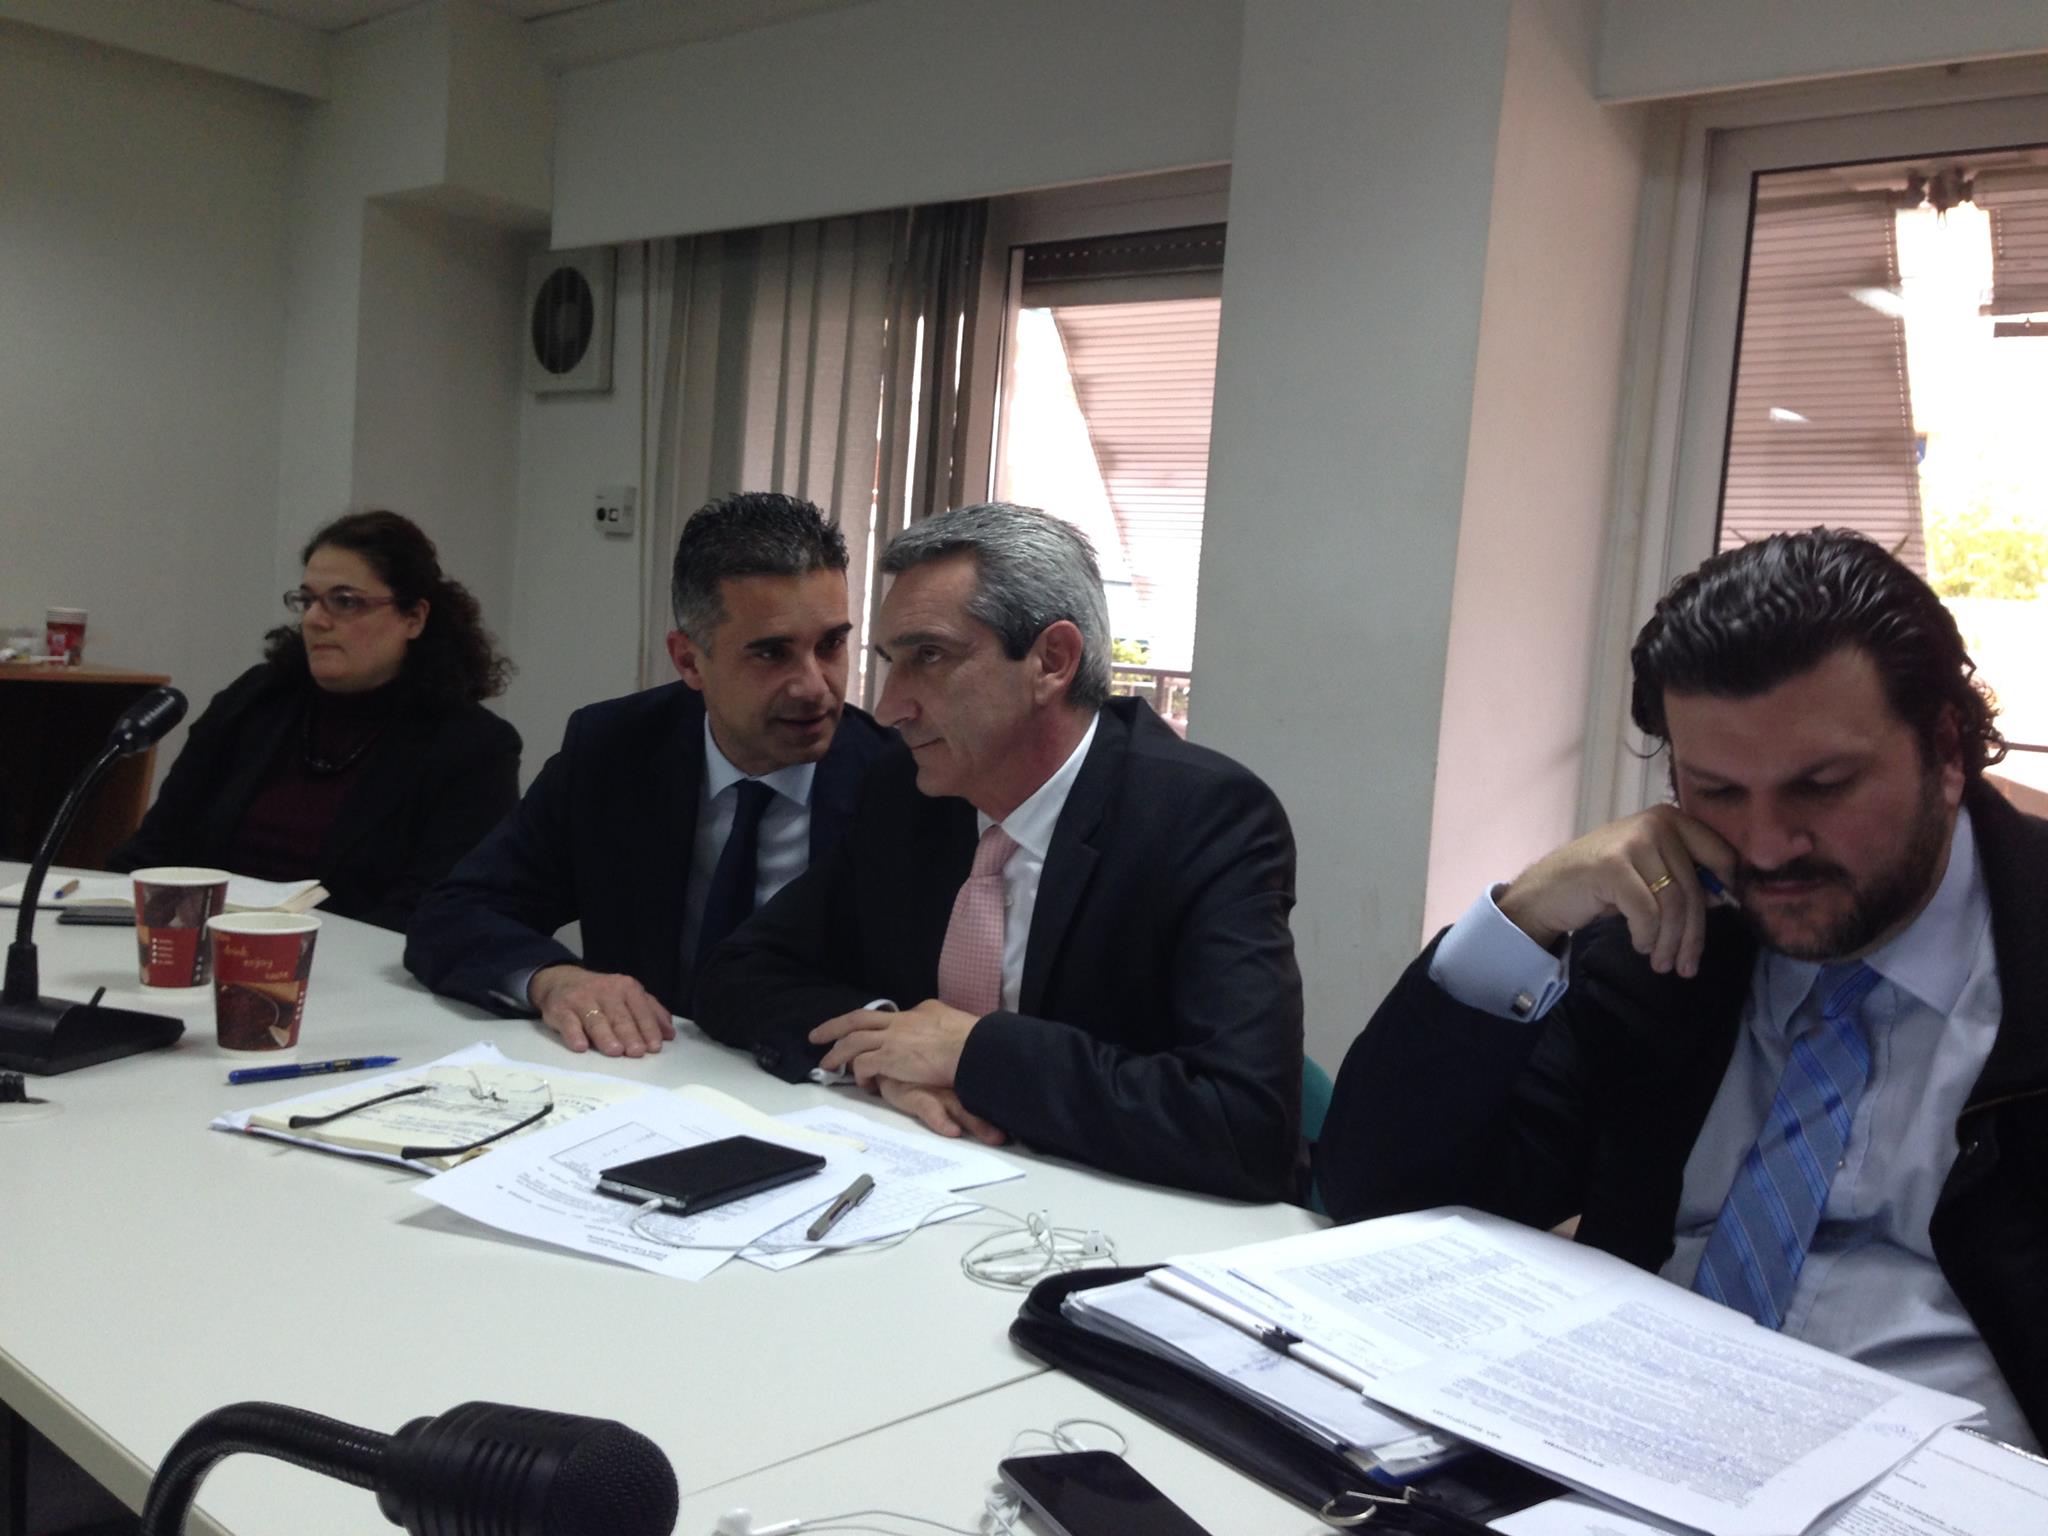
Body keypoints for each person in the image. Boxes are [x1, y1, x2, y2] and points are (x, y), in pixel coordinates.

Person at [1315, 528, 2047, 1449]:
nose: (1768, 847)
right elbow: (1381, 1197)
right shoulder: (1661, 947)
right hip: (1623, 1441)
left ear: (1944, 750)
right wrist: (1530, 915)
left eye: (1822, 786)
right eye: (1718, 792)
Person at [694, 503, 1304, 1202]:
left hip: (1108, 1215)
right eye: (891, 663)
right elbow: (737, 973)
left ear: (1052, 661)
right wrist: (888, 1049)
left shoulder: (1202, 819)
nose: (889, 708)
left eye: (929, 657)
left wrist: (973, 1054)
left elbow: (1244, 1125)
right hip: (922, 1186)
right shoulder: (907, 789)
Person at [404, 492, 892, 1058]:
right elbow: (457, 911)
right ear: (688, 660)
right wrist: (554, 979)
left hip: (810, 1081)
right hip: (637, 1071)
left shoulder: (898, 785)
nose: (814, 686)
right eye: (771, 654)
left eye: (831, 645)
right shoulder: (615, 750)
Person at [108, 510, 519, 932]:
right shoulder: (255, 701)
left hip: (355, 965)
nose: (314, 620)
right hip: (197, 947)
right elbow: (154, 851)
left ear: (413, 618)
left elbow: (432, 910)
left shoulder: (473, 747)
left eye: (345, 601)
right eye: (307, 601)